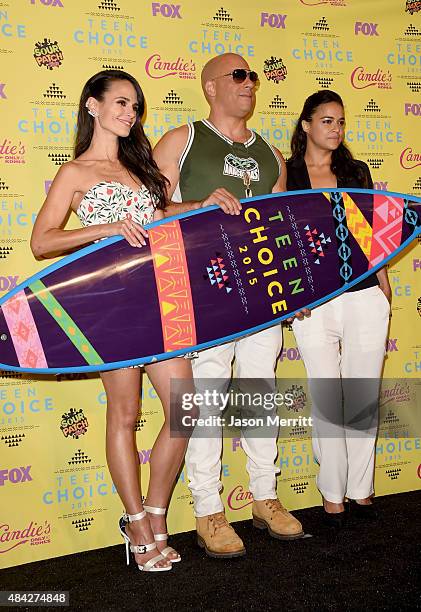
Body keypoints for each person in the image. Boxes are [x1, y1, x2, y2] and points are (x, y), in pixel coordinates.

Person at [30, 70, 193, 572]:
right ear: (92, 106)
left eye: (135, 106)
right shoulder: (74, 174)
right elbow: (42, 242)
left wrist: (203, 206)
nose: (130, 113)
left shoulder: (140, 169)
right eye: (121, 103)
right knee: (124, 416)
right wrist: (102, 229)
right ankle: (135, 523)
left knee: (187, 413)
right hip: (114, 308)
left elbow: (162, 217)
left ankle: (157, 512)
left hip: (163, 302)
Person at [153, 53, 304, 559]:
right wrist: (197, 206)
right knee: (204, 403)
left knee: (261, 394)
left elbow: (282, 226)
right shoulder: (182, 139)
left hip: (262, 296)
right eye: (238, 76)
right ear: (211, 87)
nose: (249, 84)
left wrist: (291, 287)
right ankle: (208, 509)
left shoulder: (272, 155)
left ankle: (265, 496)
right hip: (203, 293)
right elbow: (147, 213)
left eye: (253, 77)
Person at [287, 90, 391, 525]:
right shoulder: (287, 174)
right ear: (307, 125)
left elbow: (371, 234)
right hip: (313, 304)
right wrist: (291, 297)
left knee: (362, 396)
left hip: (365, 294)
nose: (336, 129)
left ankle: (361, 490)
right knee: (327, 397)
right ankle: (332, 493)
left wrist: (384, 284)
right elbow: (279, 240)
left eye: (341, 122)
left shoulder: (355, 171)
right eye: (327, 121)